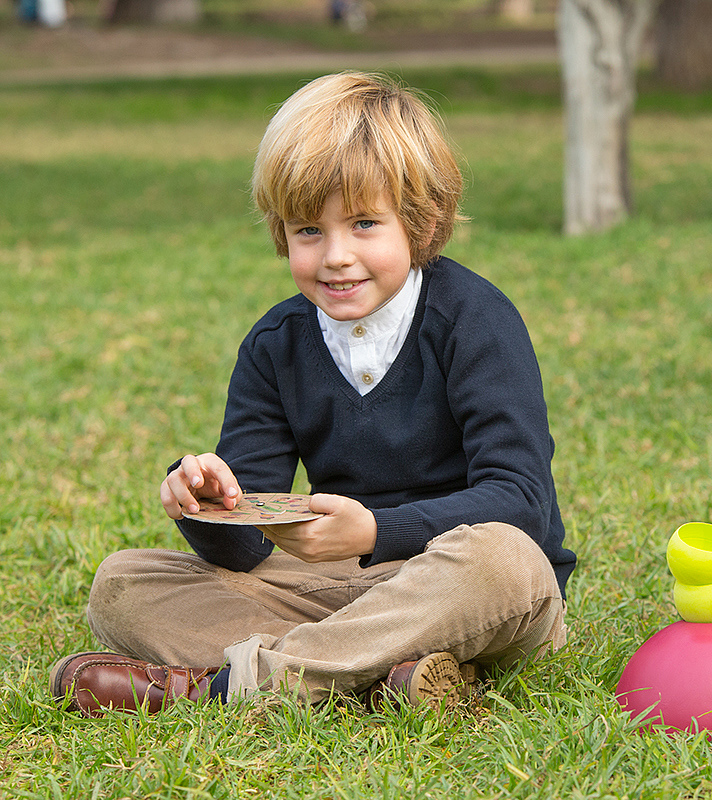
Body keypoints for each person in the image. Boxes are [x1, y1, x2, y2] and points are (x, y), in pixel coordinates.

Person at [51, 71, 575, 716]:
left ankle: (233, 685)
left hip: (462, 581)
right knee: (124, 582)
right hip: (337, 585)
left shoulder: (476, 320)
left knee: (501, 559)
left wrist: (376, 531)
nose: (335, 256)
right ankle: (379, 673)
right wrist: (208, 504)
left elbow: (521, 501)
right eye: (308, 231)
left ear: (421, 220)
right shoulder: (277, 344)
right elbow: (246, 547)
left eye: (363, 224)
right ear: (281, 232)